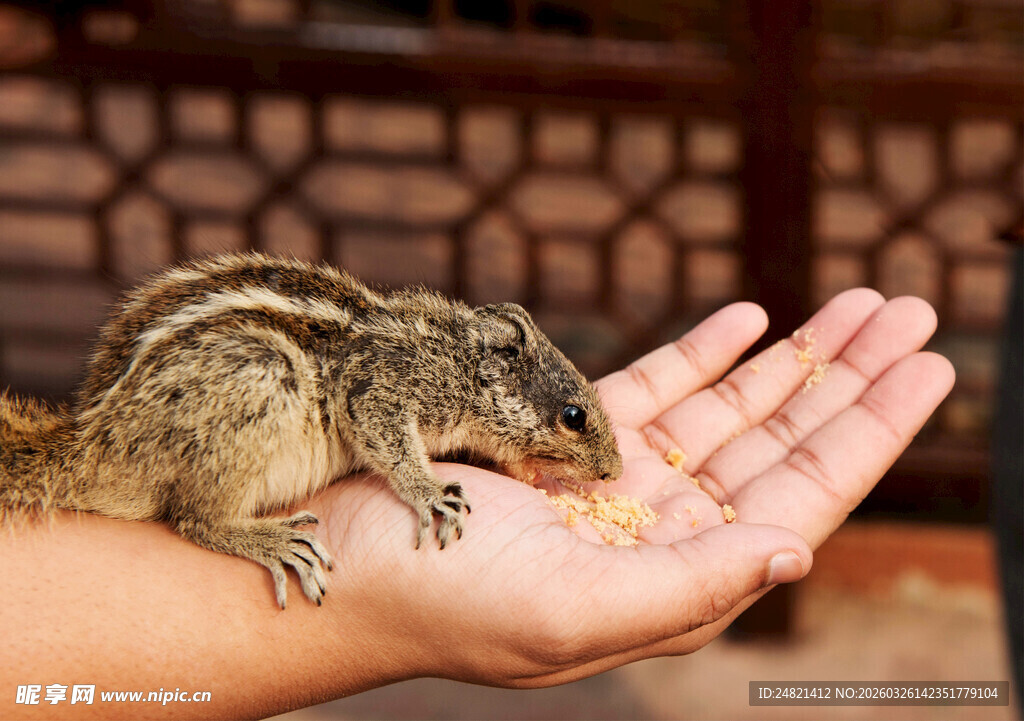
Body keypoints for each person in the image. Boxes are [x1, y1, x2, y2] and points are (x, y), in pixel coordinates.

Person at [1, 289, 954, 719]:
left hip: (191, 404)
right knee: (266, 381)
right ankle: (213, 521)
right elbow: (373, 405)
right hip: (212, 396)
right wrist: (414, 487)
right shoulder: (436, 372)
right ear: (509, 376)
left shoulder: (466, 381)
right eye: (575, 422)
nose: (587, 448)